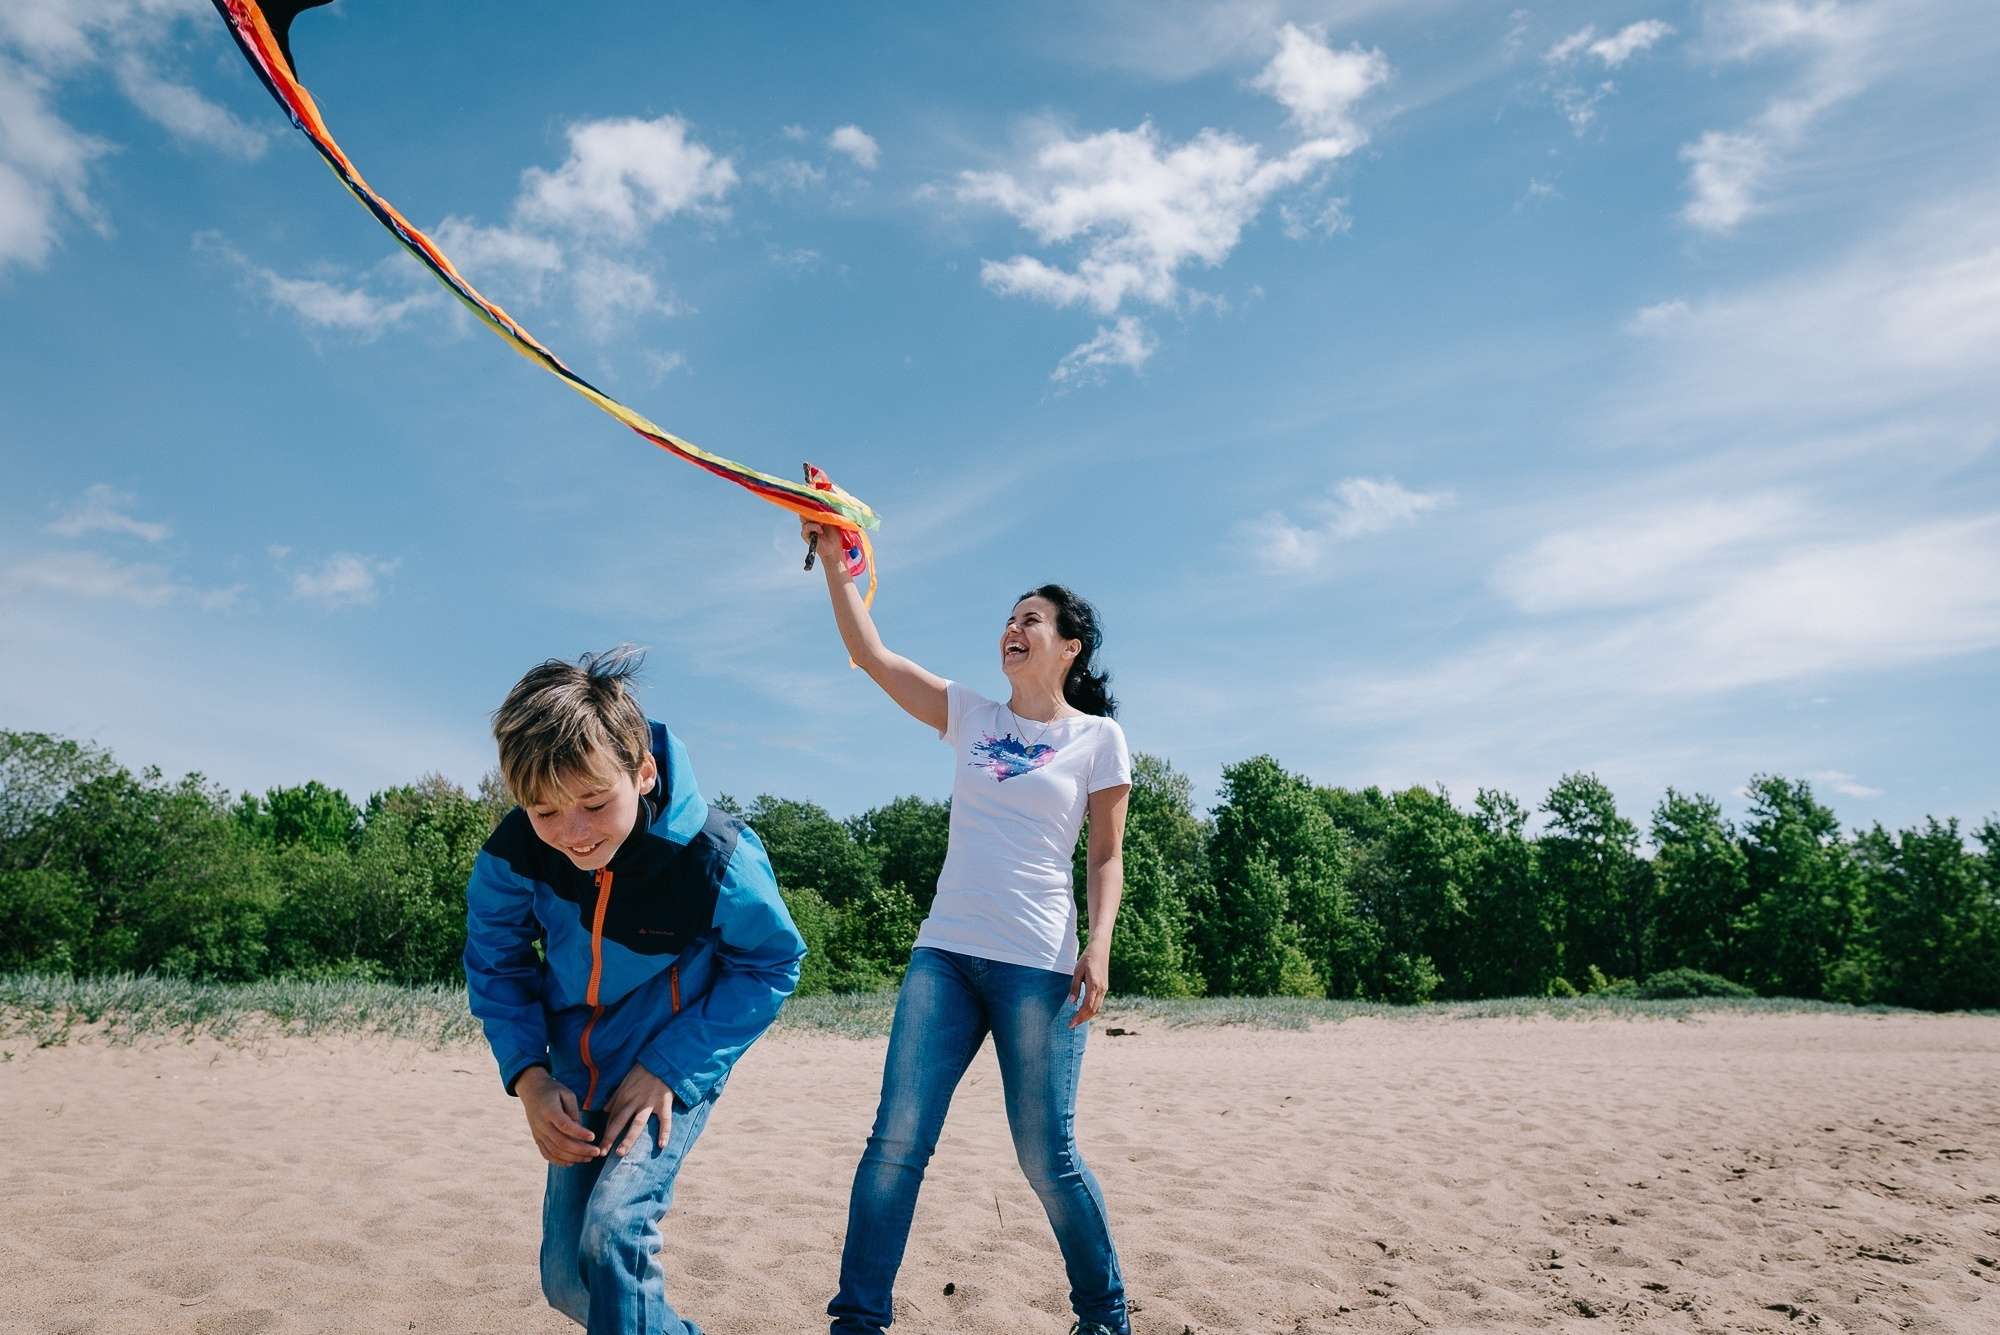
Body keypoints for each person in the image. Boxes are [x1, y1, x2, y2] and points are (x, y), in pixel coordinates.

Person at [801, 520, 1134, 1335]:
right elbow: (874, 656)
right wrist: (839, 557)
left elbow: (1104, 857)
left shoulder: (1098, 738)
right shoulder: (971, 715)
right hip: (945, 954)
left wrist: (1099, 944)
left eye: (1032, 619)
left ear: (1071, 646)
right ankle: (858, 1322)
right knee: (896, 1140)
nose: (1013, 629)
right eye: (1009, 618)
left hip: (1038, 964)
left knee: (1045, 1156)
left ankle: (1104, 1314)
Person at [463, 647, 806, 1335]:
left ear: (643, 770)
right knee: (568, 1278)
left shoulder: (717, 856)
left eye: (594, 802)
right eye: (545, 811)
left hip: (672, 1061)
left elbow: (770, 963)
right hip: (575, 1068)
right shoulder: (513, 854)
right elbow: (497, 964)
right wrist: (530, 1079)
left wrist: (667, 1070)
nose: (574, 833)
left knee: (616, 1230)